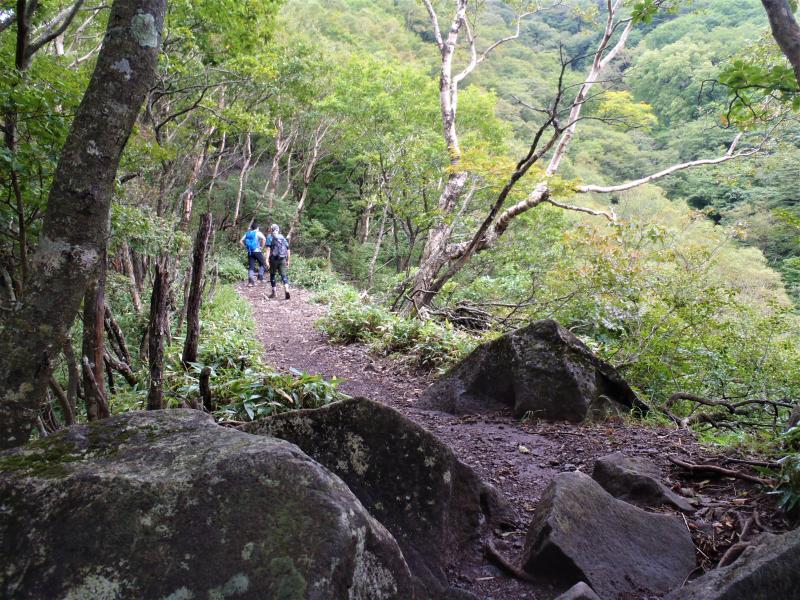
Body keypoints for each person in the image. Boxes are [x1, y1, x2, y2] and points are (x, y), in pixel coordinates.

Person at [265, 223, 291, 299]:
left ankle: (274, 293)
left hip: (273, 259)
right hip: (282, 258)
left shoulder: (270, 237)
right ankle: (286, 289)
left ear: (271, 229)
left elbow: (268, 249)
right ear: (278, 229)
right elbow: (288, 249)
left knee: (272, 274)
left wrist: (266, 259)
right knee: (284, 275)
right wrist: (288, 260)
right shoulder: (282, 237)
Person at [240, 223, 267, 287]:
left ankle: (250, 282)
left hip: (250, 252)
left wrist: (245, 247)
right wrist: (261, 247)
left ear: (251, 228)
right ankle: (260, 278)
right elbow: (264, 239)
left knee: (251, 267)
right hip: (257, 251)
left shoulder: (248, 233)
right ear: (257, 228)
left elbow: (241, 241)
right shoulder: (258, 233)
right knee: (263, 263)